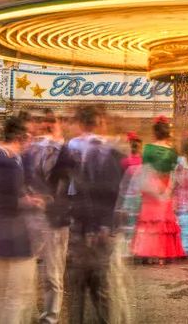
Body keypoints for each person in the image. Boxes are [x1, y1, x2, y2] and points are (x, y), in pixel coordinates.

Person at [58, 104, 125, 324]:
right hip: (97, 227)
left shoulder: (73, 148)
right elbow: (114, 191)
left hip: (83, 225)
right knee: (98, 287)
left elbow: (61, 186)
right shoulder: (109, 150)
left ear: (79, 124)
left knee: (82, 288)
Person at [0, 115, 38, 324]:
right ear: (19, 138)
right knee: (14, 299)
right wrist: (30, 203)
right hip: (12, 240)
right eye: (28, 138)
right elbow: (8, 203)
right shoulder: (9, 164)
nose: (29, 144)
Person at [23, 113, 68, 324]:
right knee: (26, 270)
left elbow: (73, 190)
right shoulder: (32, 151)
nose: (47, 125)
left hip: (55, 219)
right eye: (45, 121)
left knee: (52, 274)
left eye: (52, 122)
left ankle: (50, 318)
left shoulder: (69, 152)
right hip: (31, 218)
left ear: (60, 125)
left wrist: (48, 202)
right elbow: (24, 179)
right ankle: (28, 314)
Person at [131, 116, 184, 262]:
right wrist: (168, 189)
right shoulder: (173, 152)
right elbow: (173, 173)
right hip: (166, 184)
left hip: (150, 185)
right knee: (164, 220)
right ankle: (163, 255)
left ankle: (146, 253)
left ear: (154, 133)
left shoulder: (148, 149)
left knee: (148, 219)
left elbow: (145, 170)